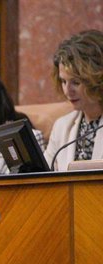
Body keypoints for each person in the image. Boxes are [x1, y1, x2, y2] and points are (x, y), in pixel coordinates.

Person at [44, 29, 103, 171]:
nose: (67, 90)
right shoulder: (62, 126)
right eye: (63, 81)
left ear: (97, 80)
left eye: (75, 82)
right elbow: (44, 177)